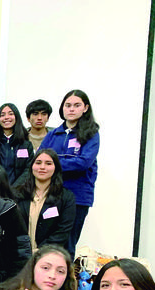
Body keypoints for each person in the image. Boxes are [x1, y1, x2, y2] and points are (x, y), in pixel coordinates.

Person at [40, 89, 100, 255]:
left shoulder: (91, 134)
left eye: (76, 105)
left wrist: (53, 164)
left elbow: (83, 163)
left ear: (85, 108)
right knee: (48, 241)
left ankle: (66, 272)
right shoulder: (53, 134)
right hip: (52, 193)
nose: (71, 109)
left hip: (78, 196)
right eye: (67, 105)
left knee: (68, 243)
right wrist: (49, 163)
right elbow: (39, 160)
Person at [13, 148, 76, 252]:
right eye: (38, 163)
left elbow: (62, 233)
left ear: (56, 168)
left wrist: (39, 253)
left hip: (48, 255)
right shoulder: (17, 194)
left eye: (48, 163)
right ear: (32, 166)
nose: (42, 167)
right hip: (20, 255)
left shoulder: (66, 198)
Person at [0, 103, 34, 186]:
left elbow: (28, 169)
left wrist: (14, 189)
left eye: (11, 114)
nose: (6, 117)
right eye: (2, 115)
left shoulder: (26, 144)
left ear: (17, 117)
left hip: (18, 190)